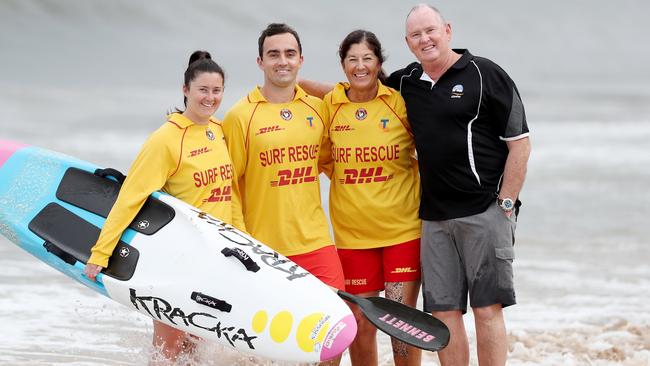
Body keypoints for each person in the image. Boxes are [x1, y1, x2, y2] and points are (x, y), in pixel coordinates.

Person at [382, 4, 532, 366]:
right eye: (416, 35)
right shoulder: (406, 82)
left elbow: (520, 144)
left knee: (486, 309)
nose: (425, 39)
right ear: (408, 42)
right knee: (443, 314)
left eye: (431, 30)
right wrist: (295, 85)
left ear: (447, 30)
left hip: (484, 212)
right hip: (434, 219)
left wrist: (506, 205)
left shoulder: (486, 74)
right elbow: (358, 88)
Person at [83, 51, 245, 365]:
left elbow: (229, 193)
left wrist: (243, 242)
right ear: (186, 90)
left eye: (217, 91)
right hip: (180, 257)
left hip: (217, 257)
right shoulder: (166, 140)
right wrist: (101, 253)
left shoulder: (218, 132)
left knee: (198, 345)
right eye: (203, 90)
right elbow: (131, 197)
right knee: (168, 349)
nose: (210, 98)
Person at [221, 23, 344, 366]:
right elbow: (227, 185)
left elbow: (334, 164)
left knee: (334, 335)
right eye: (273, 54)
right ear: (260, 61)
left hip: (315, 241)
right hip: (264, 247)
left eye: (289, 54)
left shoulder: (317, 110)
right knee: (268, 343)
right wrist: (239, 240)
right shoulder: (240, 116)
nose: (282, 61)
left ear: (301, 59)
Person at [319, 30, 422, 366]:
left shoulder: (399, 103)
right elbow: (324, 159)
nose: (360, 66)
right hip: (353, 237)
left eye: (367, 59)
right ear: (342, 65)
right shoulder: (330, 107)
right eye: (352, 59)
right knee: (361, 326)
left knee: (401, 327)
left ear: (379, 63)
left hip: (402, 233)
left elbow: (431, 148)